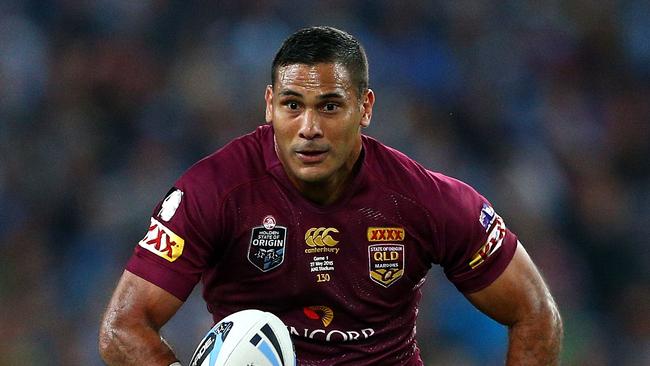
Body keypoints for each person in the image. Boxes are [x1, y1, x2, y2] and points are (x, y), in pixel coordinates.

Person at [99, 26, 563, 365]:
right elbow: (123, 327)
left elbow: (535, 313)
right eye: (292, 105)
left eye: (330, 106)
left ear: (365, 108)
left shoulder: (425, 200)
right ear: (269, 105)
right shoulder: (214, 190)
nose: (309, 129)